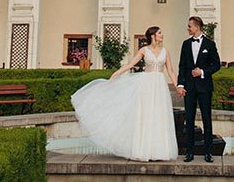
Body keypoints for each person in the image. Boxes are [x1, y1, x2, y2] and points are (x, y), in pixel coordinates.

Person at [70, 26, 180, 161]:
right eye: (159, 33)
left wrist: (178, 86)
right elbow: (130, 64)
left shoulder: (165, 51)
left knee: (159, 115)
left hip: (160, 87)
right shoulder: (144, 50)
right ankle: (143, 150)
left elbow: (171, 71)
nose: (162, 35)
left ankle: (159, 151)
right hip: (146, 85)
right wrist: (116, 74)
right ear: (152, 36)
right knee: (145, 116)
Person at [176, 16, 221, 162]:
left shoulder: (210, 44)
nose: (188, 28)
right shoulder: (185, 44)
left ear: (197, 27)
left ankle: (208, 152)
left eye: (189, 26)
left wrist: (202, 72)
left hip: (205, 88)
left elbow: (216, 65)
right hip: (189, 88)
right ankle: (189, 152)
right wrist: (180, 84)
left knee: (207, 119)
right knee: (189, 120)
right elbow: (182, 66)